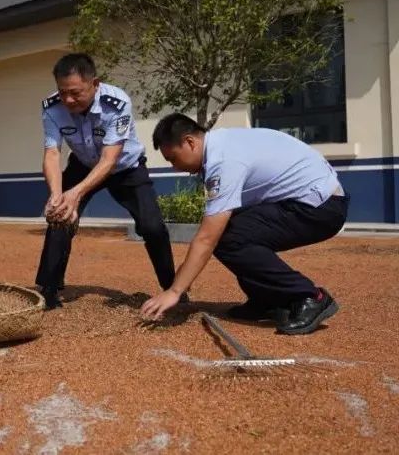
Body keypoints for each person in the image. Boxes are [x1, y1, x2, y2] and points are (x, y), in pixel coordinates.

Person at [140, 114, 349, 335]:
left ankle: (309, 296)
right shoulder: (222, 145)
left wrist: (174, 290)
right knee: (231, 232)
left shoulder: (223, 161)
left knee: (230, 238)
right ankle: (267, 299)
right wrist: (182, 277)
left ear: (190, 142)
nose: (174, 168)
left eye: (173, 158)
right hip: (310, 201)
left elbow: (207, 237)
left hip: (321, 208)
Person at [36, 53, 179, 310]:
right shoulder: (52, 107)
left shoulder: (117, 103)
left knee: (152, 226)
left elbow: (109, 159)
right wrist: (58, 195)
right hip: (82, 163)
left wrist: (76, 194)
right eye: (62, 91)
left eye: (75, 93)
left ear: (95, 83)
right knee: (60, 216)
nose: (67, 99)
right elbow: (52, 153)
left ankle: (173, 288)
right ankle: (48, 289)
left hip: (124, 166)